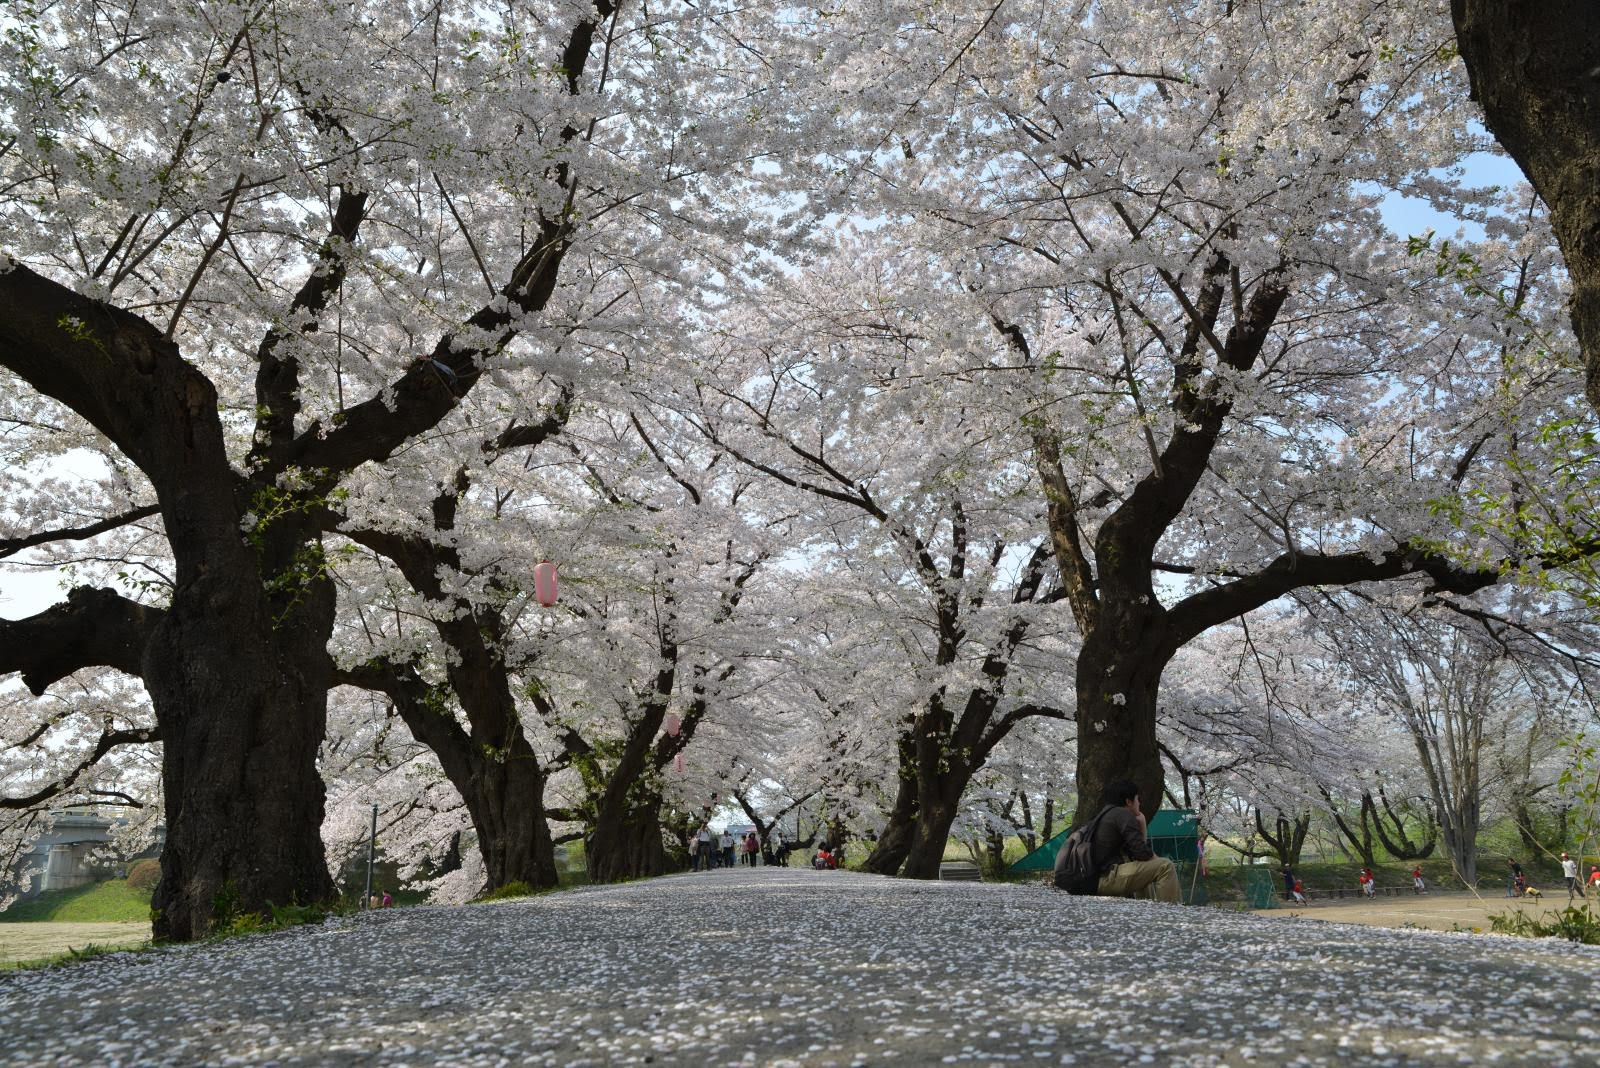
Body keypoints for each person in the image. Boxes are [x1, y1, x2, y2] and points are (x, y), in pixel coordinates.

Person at [1079, 779, 1181, 903]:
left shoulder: (1105, 815)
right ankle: (1170, 914)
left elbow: (1137, 856)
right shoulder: (1123, 814)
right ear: (1128, 802)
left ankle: (1146, 914)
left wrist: (1142, 823)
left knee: (1145, 870)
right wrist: (1158, 860)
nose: (1139, 803)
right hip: (1105, 878)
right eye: (1137, 799)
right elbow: (1142, 853)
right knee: (1166, 866)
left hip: (1093, 878)